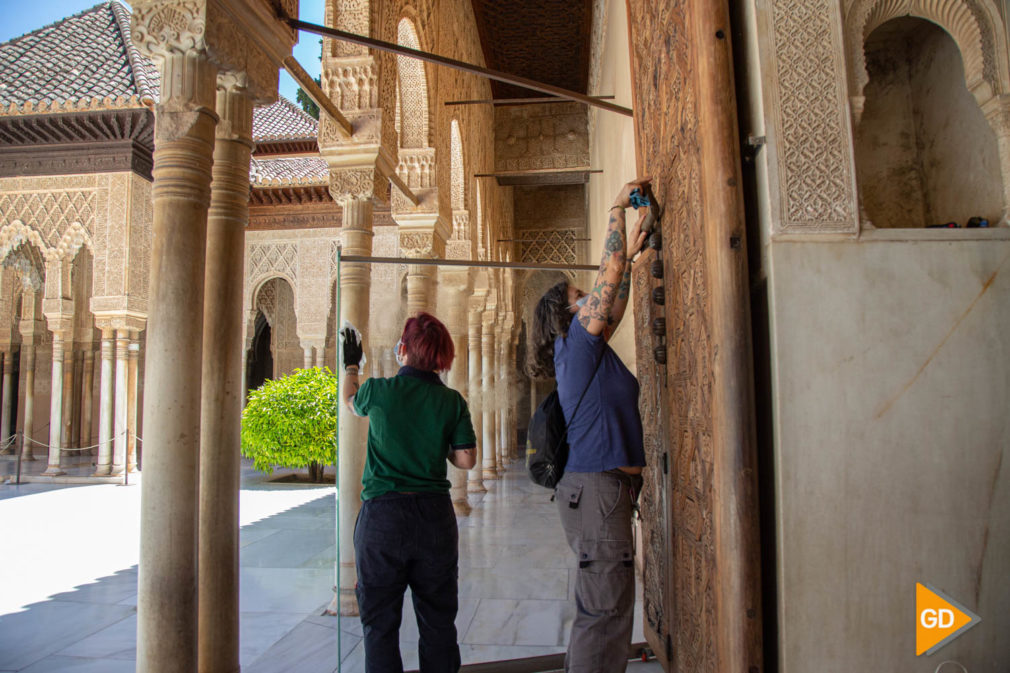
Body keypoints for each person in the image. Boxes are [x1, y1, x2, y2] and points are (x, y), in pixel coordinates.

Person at [529, 178, 650, 673]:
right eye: (581, 294)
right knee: (604, 616)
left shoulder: (583, 348)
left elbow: (615, 296)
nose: (590, 298)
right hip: (598, 491)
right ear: (568, 312)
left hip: (600, 490)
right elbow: (610, 276)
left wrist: (636, 250)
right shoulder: (575, 343)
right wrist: (616, 209)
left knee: (601, 614)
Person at [341, 312, 477, 673]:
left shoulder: (380, 391)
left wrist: (351, 366)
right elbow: (466, 459)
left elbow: (350, 401)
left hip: (383, 520)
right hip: (434, 519)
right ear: (441, 358)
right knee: (438, 623)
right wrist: (437, 446)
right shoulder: (452, 401)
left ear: (403, 349)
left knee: (380, 627)